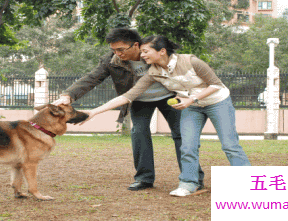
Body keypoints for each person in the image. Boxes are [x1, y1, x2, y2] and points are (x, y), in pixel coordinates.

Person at [80, 35, 251, 196]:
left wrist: (192, 99)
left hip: (217, 102)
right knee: (187, 146)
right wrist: (94, 112)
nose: (142, 54)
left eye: (146, 51)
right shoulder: (153, 73)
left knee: (230, 145)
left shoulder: (191, 61)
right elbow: (128, 96)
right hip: (192, 106)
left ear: (161, 51)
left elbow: (216, 85)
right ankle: (188, 184)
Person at [52, 28, 204, 191]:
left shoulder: (152, 52)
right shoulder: (112, 60)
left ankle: (193, 178)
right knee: (138, 133)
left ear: (136, 45)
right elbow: (92, 78)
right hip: (138, 100)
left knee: (182, 135)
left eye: (120, 49)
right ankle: (144, 178)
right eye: (113, 50)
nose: (117, 53)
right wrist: (68, 95)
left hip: (170, 97)